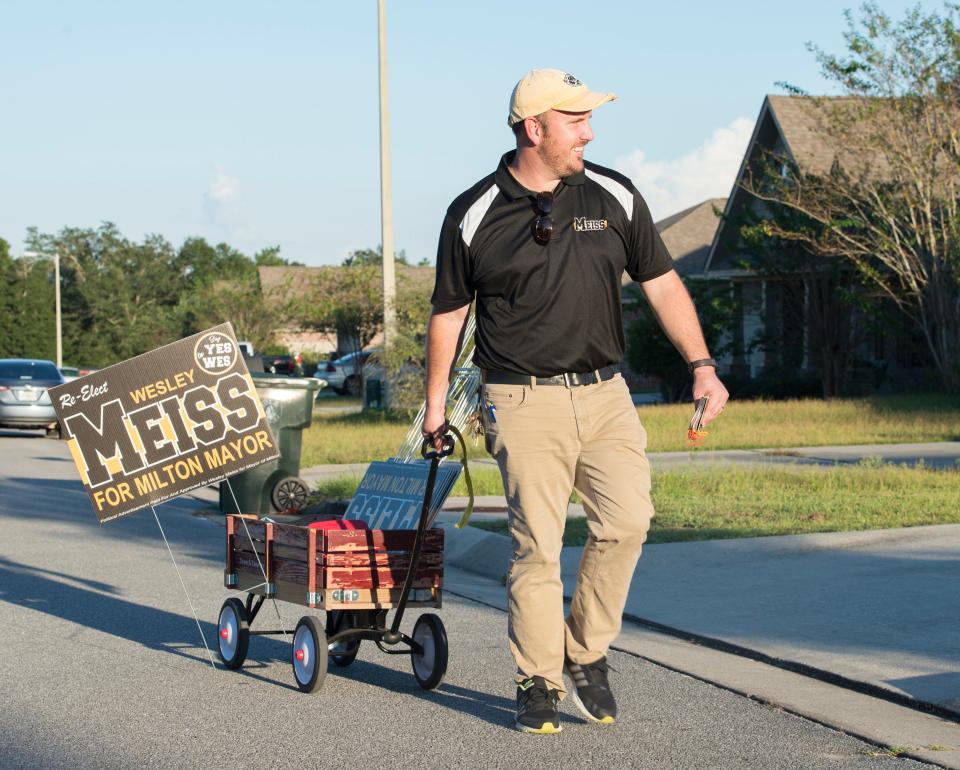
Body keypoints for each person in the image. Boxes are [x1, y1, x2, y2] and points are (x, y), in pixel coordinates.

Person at [423, 68, 729, 734]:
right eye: (575, 120)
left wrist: (702, 366)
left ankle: (584, 652)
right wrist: (434, 405)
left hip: (607, 394)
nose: (589, 132)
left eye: (589, 120)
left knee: (628, 521)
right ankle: (539, 678)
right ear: (534, 128)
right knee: (538, 548)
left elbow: (664, 284)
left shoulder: (614, 193)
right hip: (520, 399)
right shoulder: (473, 213)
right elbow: (448, 314)